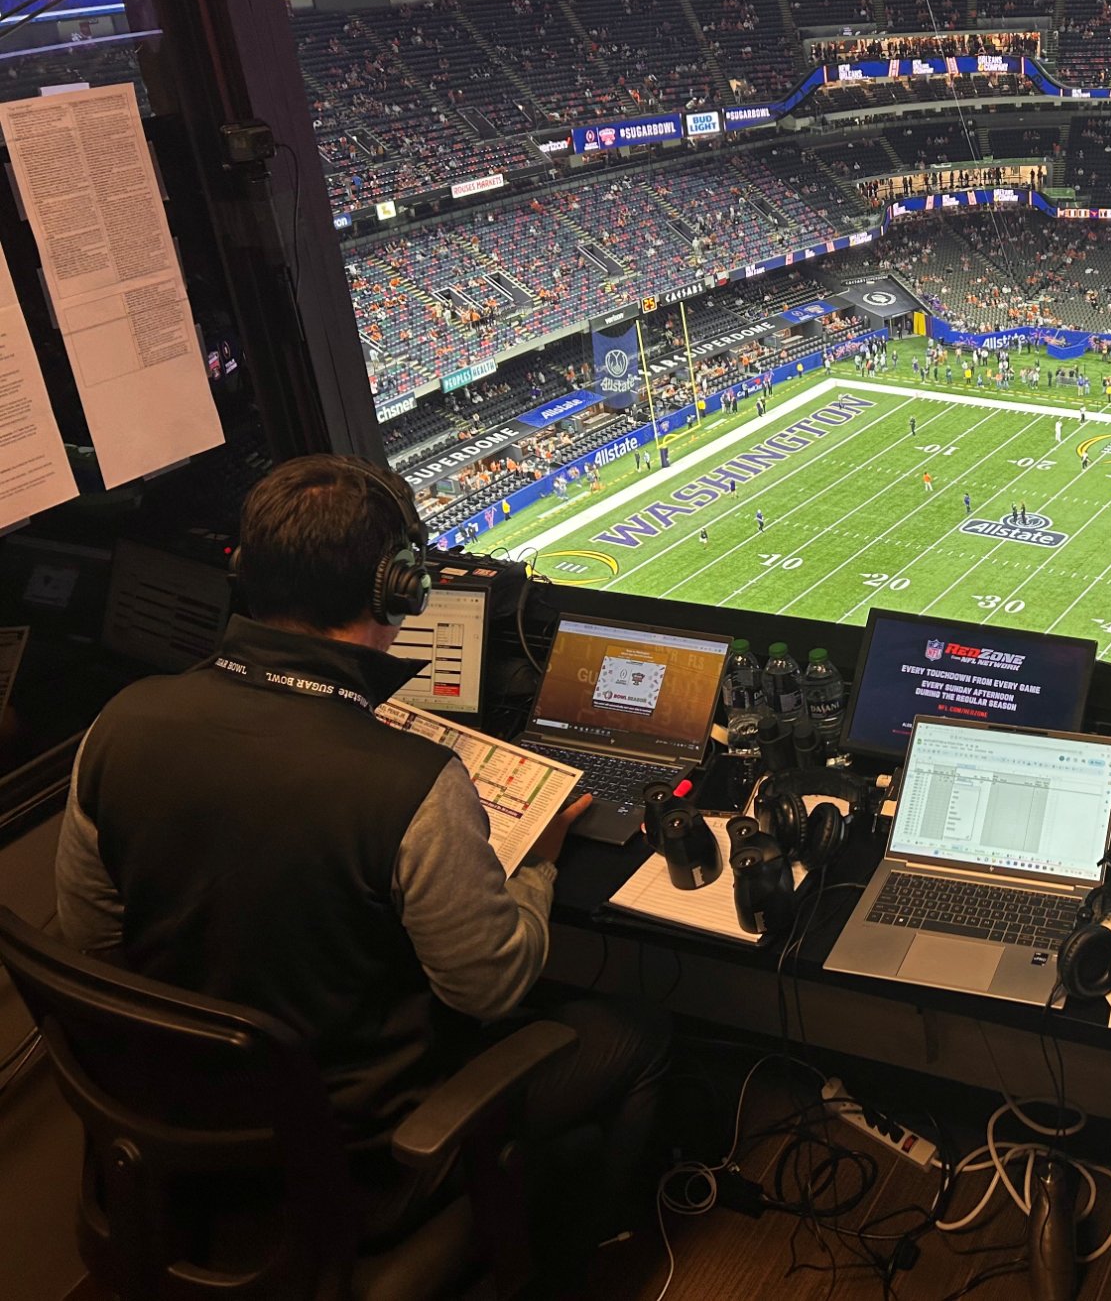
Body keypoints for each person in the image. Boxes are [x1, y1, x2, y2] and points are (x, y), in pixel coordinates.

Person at [54, 457, 672, 1270]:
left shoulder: (117, 726)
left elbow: (93, 942)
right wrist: (539, 864)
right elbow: (490, 987)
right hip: (366, 1153)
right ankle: (567, 1266)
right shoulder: (413, 784)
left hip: (187, 1123)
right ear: (399, 590)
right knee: (636, 1038)